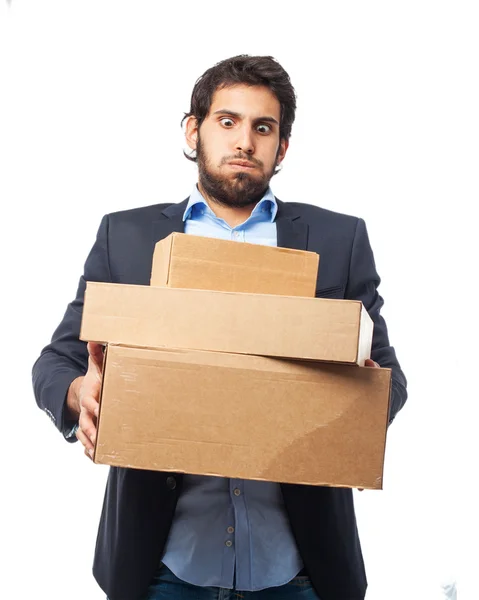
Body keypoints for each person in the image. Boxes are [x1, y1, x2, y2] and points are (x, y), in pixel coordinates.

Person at [32, 55, 407, 600]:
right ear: (194, 129)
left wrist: (357, 403)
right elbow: (56, 362)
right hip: (163, 568)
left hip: (298, 571)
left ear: (282, 147)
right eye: (227, 121)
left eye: (263, 127)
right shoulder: (127, 236)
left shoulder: (337, 240)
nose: (245, 142)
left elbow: (390, 377)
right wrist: (76, 394)